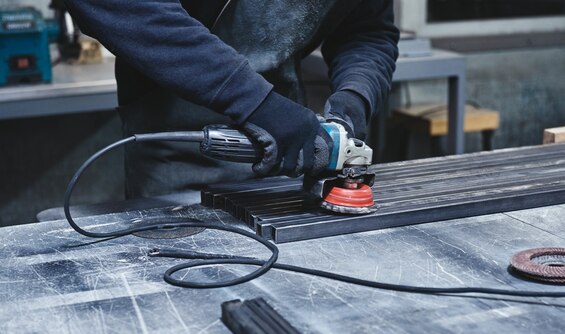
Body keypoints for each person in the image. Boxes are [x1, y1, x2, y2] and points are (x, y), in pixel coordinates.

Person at [63, 0, 399, 198]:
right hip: (175, 148)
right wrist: (257, 103)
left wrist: (356, 95)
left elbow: (366, 31)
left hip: (287, 149)